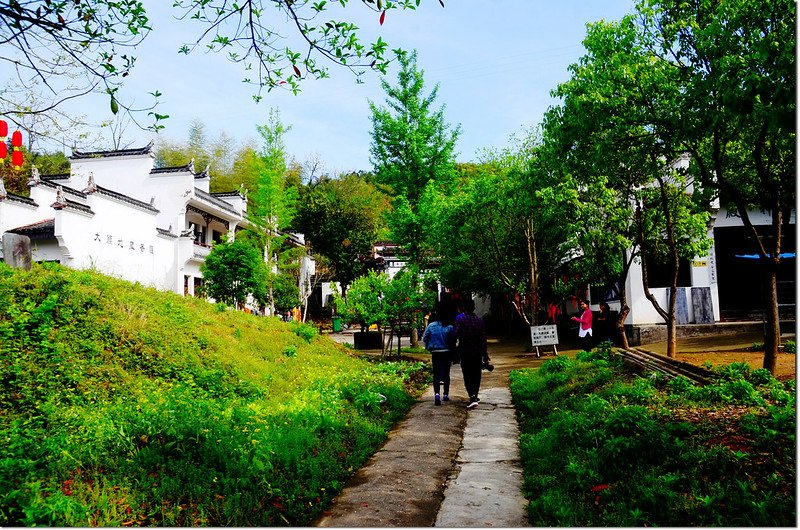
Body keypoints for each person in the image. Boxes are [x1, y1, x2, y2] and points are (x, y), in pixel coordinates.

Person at [454, 298, 490, 410]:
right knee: (476, 374)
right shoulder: (479, 320)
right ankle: (475, 394)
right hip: (477, 351)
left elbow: (456, 334)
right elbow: (483, 338)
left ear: (463, 307)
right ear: (473, 307)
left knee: (467, 373)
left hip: (465, 350)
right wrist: (485, 354)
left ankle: (472, 396)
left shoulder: (460, 319)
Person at [422, 310, 456, 406]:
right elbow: (454, 339)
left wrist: (430, 345)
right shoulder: (449, 327)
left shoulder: (431, 326)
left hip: (435, 353)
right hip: (447, 352)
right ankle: (445, 394)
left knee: (436, 374)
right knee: (446, 373)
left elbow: (425, 338)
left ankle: (437, 394)